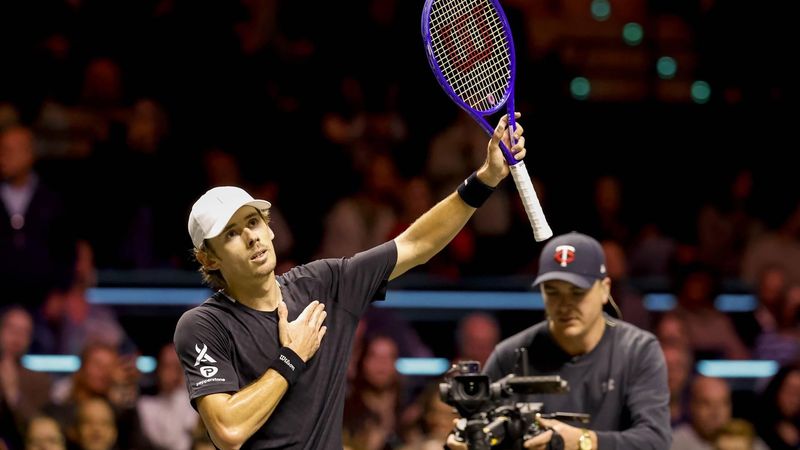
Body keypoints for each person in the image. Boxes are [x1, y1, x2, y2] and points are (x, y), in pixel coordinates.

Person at [173, 114, 528, 450]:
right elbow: (228, 431)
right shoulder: (204, 326)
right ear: (209, 258)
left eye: (253, 222)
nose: (251, 237)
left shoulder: (324, 284)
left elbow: (416, 244)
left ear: (269, 226)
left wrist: (485, 179)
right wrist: (292, 357)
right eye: (232, 234)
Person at [447, 231, 672, 450]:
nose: (564, 305)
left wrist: (585, 442)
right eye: (553, 292)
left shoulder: (638, 350)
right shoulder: (510, 354)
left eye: (577, 292)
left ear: (605, 290)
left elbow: (656, 441)